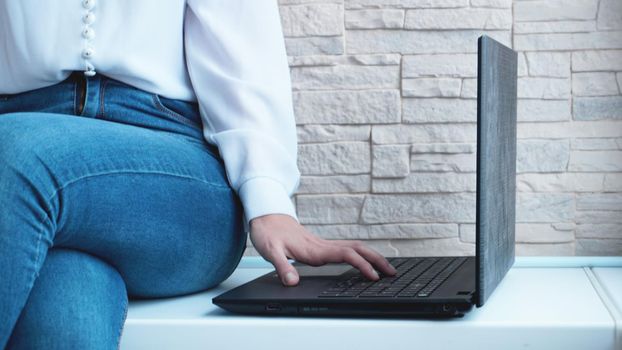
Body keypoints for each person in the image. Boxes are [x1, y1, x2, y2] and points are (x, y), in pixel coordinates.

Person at [0, 1, 397, 348]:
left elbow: (244, 57)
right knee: (65, 301)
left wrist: (269, 200)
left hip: (173, 173)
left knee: (13, 152)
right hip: (22, 187)